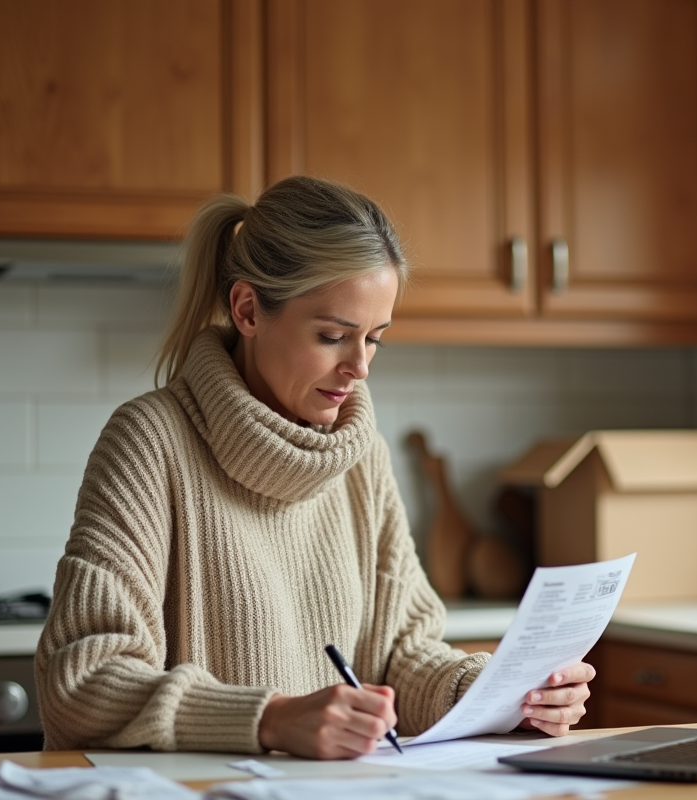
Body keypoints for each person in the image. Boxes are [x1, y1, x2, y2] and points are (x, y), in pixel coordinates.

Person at [34, 175, 596, 759]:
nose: (360, 367)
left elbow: (400, 654)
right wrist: (270, 719)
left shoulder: (360, 455)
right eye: (333, 336)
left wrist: (493, 693)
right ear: (248, 310)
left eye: (374, 339)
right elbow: (82, 681)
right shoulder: (150, 441)